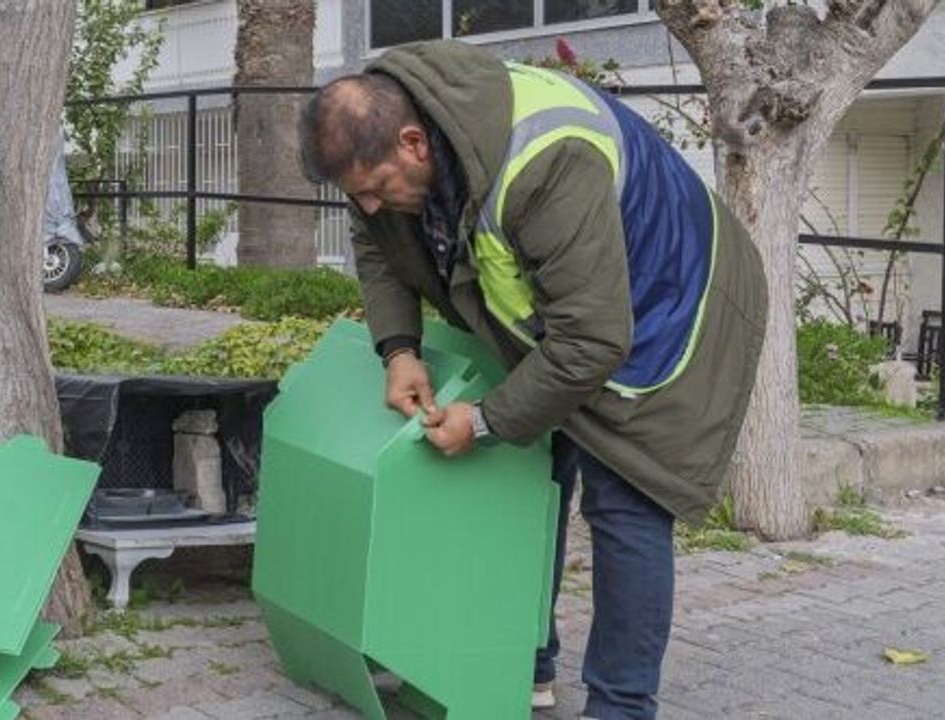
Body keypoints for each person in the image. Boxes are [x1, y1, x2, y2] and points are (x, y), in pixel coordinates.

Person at [298, 39, 767, 720]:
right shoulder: (391, 146)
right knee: (532, 478)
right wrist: (398, 349)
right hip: (568, 310)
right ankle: (523, 663)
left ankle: (621, 706)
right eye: (355, 195)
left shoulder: (548, 159)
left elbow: (594, 340)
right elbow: (378, 245)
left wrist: (485, 419)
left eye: (374, 189)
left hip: (667, 310)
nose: (368, 207)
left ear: (412, 143)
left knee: (625, 501)